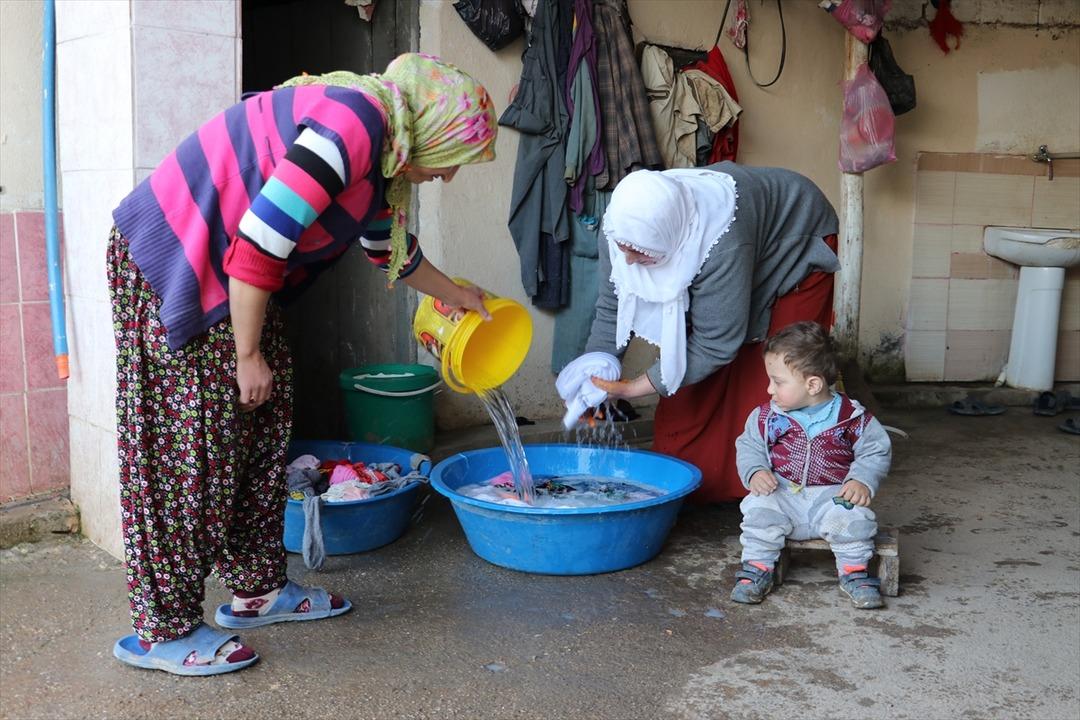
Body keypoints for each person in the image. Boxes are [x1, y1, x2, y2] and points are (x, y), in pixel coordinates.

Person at [108, 53, 498, 676]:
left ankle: (258, 589)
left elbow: (385, 249)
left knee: (262, 426)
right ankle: (163, 629)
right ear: (434, 128)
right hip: (178, 264)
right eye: (455, 158)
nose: (448, 177)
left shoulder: (380, 159)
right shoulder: (356, 122)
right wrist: (246, 353)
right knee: (191, 448)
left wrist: (459, 297)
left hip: (235, 276)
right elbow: (263, 235)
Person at [557, 162, 841, 503]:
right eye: (624, 248)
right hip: (744, 249)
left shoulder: (722, 243)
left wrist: (633, 388)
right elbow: (613, 305)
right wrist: (596, 371)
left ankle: (775, 499)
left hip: (793, 246)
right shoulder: (620, 227)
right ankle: (691, 484)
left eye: (642, 253)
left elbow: (717, 344)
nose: (629, 260)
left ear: (672, 239)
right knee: (688, 395)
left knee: (775, 380)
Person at [730, 321, 891, 608]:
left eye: (777, 382)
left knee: (856, 519)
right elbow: (749, 445)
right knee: (757, 509)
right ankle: (757, 569)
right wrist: (755, 471)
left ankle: (854, 574)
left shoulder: (851, 418)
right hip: (782, 494)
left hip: (832, 498)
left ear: (813, 384)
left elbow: (875, 451)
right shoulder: (768, 417)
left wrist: (861, 480)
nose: (769, 389)